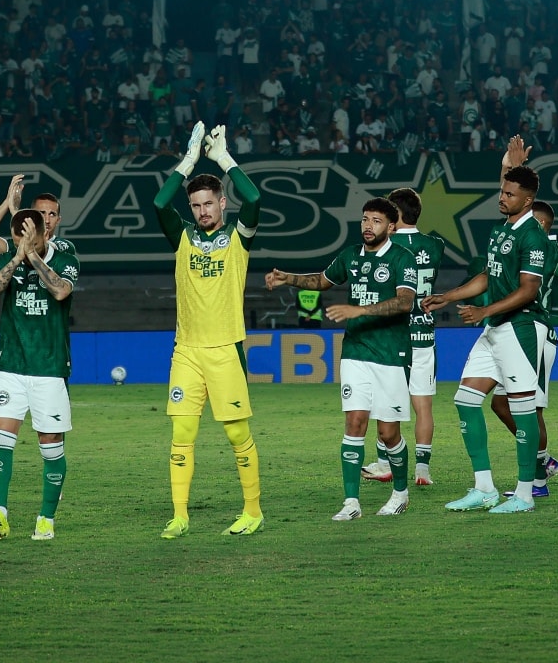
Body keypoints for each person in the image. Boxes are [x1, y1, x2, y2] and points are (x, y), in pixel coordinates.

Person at [266, 197, 419, 520]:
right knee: (354, 423)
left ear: (391, 226)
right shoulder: (351, 256)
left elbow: (405, 303)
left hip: (391, 354)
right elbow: (322, 280)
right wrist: (287, 277)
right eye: (365, 219)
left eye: (376, 221)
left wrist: (359, 310)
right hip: (355, 352)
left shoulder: (403, 259)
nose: (368, 226)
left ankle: (401, 493)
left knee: (388, 433)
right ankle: (352, 502)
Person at [420, 160, 557, 515]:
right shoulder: (502, 231)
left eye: (510, 194)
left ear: (527, 201)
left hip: (522, 328)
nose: (502, 197)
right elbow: (488, 274)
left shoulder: (534, 237)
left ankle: (526, 493)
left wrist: (483, 310)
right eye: (501, 191)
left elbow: (529, 290)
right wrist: (449, 296)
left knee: (523, 410)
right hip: (495, 328)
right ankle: (484, 488)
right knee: (466, 400)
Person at [152, 123, 265, 538]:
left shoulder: (239, 237)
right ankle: (180, 515)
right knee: (182, 432)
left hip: (224, 350)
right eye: (195, 205)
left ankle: (252, 510)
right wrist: (188, 159)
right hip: (187, 351)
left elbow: (253, 197)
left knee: (237, 433)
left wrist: (223, 159)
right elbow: (160, 203)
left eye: (208, 204)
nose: (202, 211)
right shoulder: (182, 237)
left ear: (221, 203)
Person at [0, 176, 72, 502]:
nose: (45, 219)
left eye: (51, 214)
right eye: (40, 213)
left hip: (46, 354)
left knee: (47, 432)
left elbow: (61, 288)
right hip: (12, 353)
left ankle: (50, 484)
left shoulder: (62, 250)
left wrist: (29, 248)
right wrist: (10, 207)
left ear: (57, 220)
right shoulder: (12, 248)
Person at [0, 209, 80, 541]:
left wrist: (32, 256)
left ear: (45, 235)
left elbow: (61, 291)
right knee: (2, 437)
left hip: (49, 369)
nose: (24, 244)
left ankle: (46, 518)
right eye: (19, 238)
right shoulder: (9, 257)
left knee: (51, 446)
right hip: (11, 368)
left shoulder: (65, 259)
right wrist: (17, 256)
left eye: (31, 238)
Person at [359, 187, 444, 488]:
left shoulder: (386, 247)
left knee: (384, 402)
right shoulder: (435, 244)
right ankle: (423, 469)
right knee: (423, 405)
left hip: (394, 335)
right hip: (424, 332)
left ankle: (385, 464)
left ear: (392, 217)